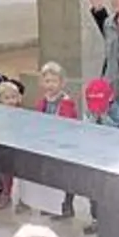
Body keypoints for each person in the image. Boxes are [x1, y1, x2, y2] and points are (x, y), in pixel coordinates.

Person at [35, 62, 80, 219]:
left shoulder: (66, 102)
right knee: (50, 176)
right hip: (47, 143)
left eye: (54, 81)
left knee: (65, 177)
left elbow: (68, 124)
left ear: (61, 83)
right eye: (47, 81)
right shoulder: (43, 101)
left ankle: (67, 206)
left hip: (62, 145)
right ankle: (52, 204)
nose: (50, 85)